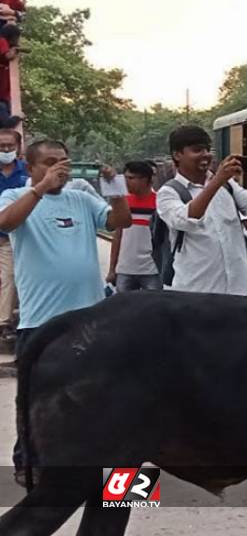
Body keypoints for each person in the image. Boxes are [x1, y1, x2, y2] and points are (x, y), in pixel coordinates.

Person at [0, 139, 132, 484]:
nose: (59, 168)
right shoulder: (16, 197)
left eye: (63, 162)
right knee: (35, 400)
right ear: (30, 168)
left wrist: (115, 188)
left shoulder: (81, 197)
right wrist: (41, 189)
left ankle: (107, 473)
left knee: (103, 395)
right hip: (41, 323)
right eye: (48, 162)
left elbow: (122, 221)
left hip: (90, 321)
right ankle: (29, 465)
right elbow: (6, 224)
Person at [155, 125, 247, 295]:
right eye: (197, 150)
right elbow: (187, 219)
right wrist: (218, 180)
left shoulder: (228, 187)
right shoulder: (168, 193)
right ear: (177, 155)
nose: (205, 155)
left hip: (237, 289)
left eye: (207, 149)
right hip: (195, 292)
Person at [106, 160, 161, 292]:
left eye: (130, 178)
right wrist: (112, 269)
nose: (126, 182)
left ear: (146, 179)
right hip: (125, 270)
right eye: (124, 178)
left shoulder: (160, 202)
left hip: (152, 270)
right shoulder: (123, 203)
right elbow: (117, 237)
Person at [0, 128, 26, 348]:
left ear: (18, 147)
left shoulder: (27, 174)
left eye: (10, 146)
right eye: (1, 146)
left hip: (11, 237)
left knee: (8, 278)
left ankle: (4, 324)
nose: (6, 150)